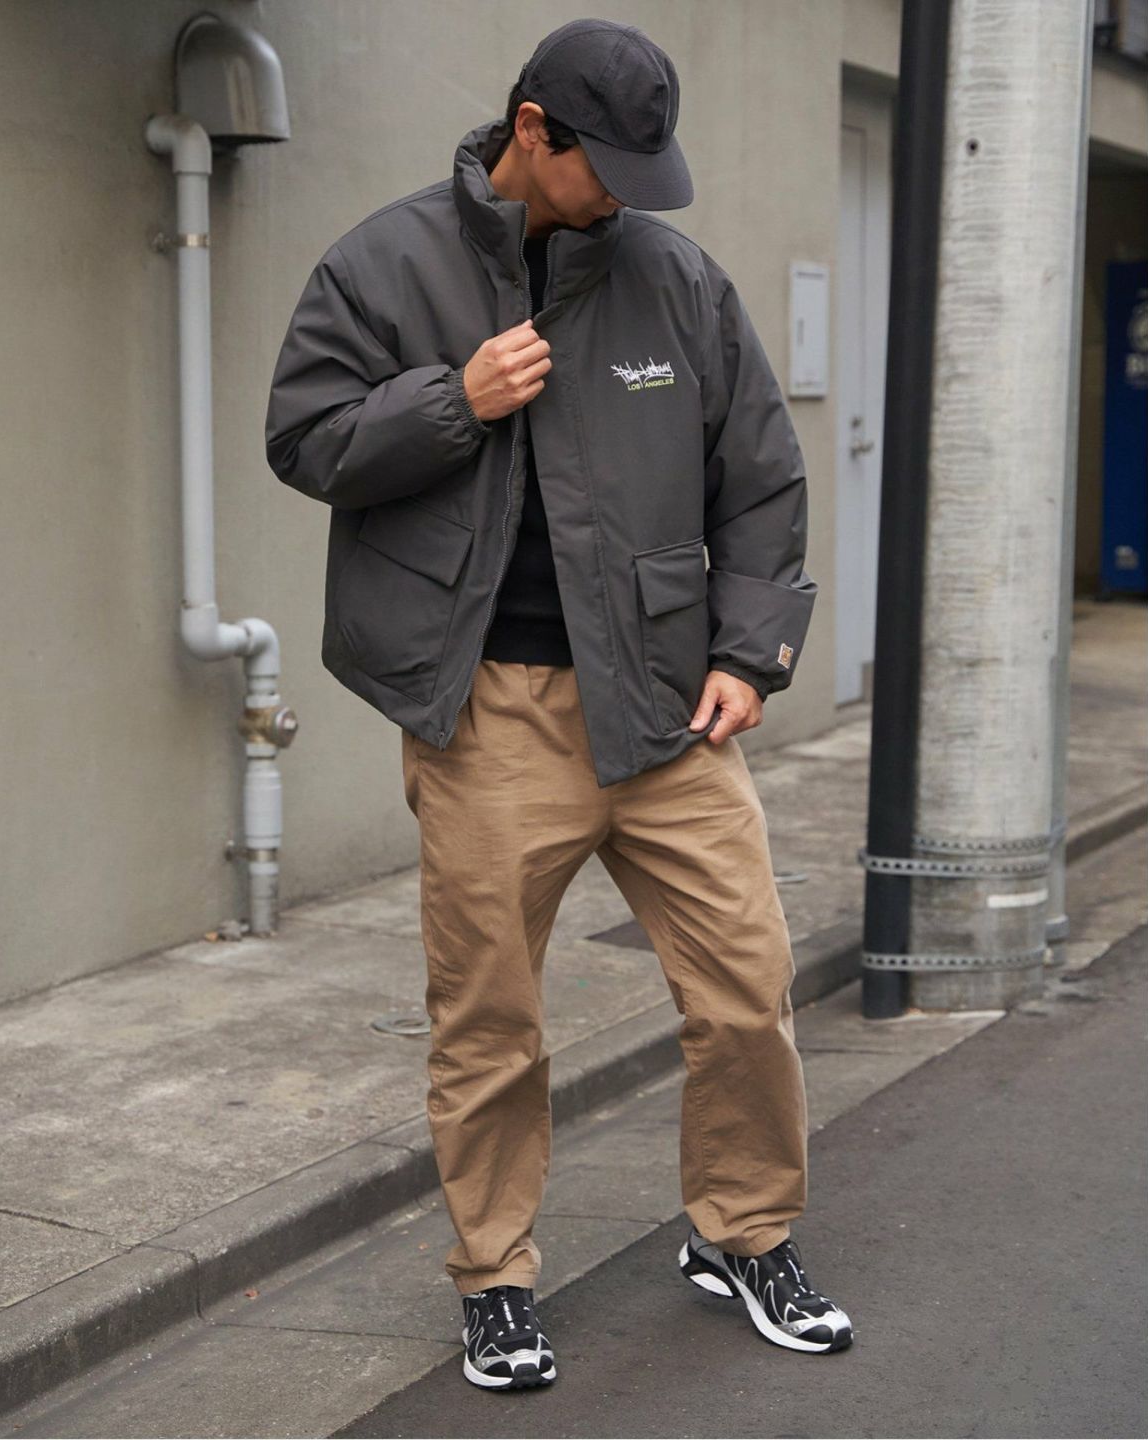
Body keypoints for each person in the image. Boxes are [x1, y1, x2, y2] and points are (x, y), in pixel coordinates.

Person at [265, 16, 852, 1393]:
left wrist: (748, 654)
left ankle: (745, 1234)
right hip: (490, 715)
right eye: (610, 169)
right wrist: (452, 401)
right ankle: (496, 1279)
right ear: (534, 131)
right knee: (489, 1019)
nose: (631, 199)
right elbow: (303, 439)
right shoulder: (383, 263)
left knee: (747, 988)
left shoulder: (676, 281)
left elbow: (761, 476)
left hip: (665, 709)